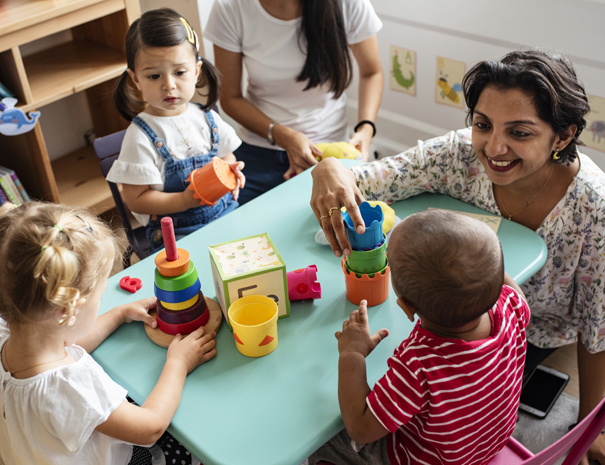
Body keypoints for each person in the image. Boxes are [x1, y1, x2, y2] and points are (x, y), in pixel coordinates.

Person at [310, 49, 605, 464]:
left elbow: (597, 327)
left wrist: (591, 425)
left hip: (530, 337)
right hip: (496, 334)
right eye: (482, 125)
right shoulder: (459, 158)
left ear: (563, 135)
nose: (494, 147)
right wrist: (328, 169)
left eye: (519, 132)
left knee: (332, 420)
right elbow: (368, 178)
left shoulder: (594, 206)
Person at [0, 202, 217, 465]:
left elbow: (66, 343)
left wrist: (118, 314)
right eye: (101, 296)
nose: (103, 301)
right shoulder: (69, 386)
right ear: (68, 310)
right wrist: (178, 363)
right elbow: (150, 427)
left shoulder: (11, 333)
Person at [309, 210, 530, 465]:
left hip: (427, 459)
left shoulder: (419, 365)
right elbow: (510, 289)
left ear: (406, 307)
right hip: (483, 448)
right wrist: (483, 267)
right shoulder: (511, 305)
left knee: (324, 441)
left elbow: (360, 427)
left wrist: (352, 354)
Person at [205, 0, 384, 204]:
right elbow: (230, 98)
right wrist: (284, 136)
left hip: (329, 151)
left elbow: (372, 72)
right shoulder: (230, 7)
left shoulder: (348, 4)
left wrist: (366, 128)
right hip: (259, 151)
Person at [108, 8, 245, 253]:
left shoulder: (207, 117)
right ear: (135, 79)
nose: (169, 85)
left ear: (196, 70)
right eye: (153, 76)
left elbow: (226, 156)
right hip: (178, 236)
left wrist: (230, 172)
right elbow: (136, 200)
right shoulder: (140, 136)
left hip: (227, 215)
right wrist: (183, 200)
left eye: (179, 72)